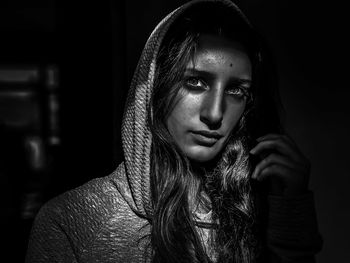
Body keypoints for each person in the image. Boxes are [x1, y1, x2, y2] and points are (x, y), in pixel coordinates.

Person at [25, 0, 323, 262]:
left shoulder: (255, 210)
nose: (215, 113)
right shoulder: (72, 221)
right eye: (195, 82)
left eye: (235, 90)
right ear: (155, 88)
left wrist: (291, 208)